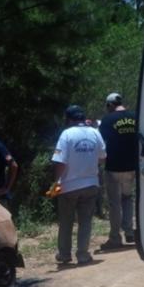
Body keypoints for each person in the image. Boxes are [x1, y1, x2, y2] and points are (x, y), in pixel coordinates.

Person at [52, 104, 106, 265]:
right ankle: (82, 254)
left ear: (69, 119)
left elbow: (60, 161)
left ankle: (64, 254)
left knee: (66, 221)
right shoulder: (95, 133)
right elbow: (103, 157)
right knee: (85, 221)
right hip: (91, 183)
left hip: (69, 185)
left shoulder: (66, 134)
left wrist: (56, 182)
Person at [98, 92, 137, 249]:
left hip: (114, 167)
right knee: (128, 198)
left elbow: (101, 143)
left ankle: (115, 238)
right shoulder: (135, 117)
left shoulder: (107, 120)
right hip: (133, 166)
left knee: (115, 203)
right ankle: (129, 232)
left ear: (109, 105)